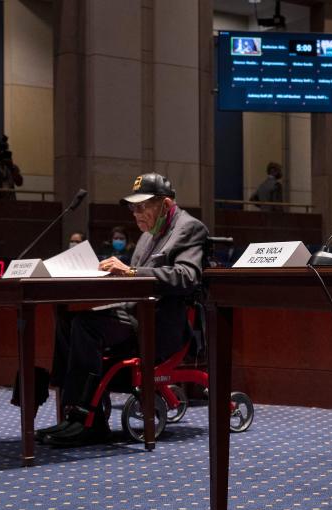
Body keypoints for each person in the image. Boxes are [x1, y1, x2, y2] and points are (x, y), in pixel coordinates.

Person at [39, 172, 209, 447]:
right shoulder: (146, 235)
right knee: (67, 318)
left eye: (142, 207)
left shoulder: (190, 228)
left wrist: (129, 271)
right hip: (133, 314)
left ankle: (89, 421)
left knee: (86, 326)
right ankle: (74, 413)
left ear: (165, 205)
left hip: (159, 324)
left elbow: (187, 277)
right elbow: (132, 279)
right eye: (133, 207)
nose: (135, 214)